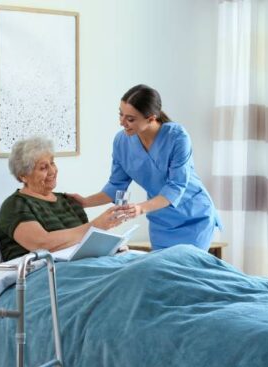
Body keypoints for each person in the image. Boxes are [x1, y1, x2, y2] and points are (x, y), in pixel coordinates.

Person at [70, 84, 221, 251]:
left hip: (194, 217)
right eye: (121, 114)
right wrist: (84, 202)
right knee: (161, 273)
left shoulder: (177, 137)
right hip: (161, 221)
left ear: (151, 118)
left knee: (188, 271)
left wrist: (140, 208)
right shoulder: (121, 142)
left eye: (130, 119)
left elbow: (175, 187)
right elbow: (115, 186)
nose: (122, 122)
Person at [0, 136, 125, 261]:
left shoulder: (69, 201)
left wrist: (111, 247)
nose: (52, 171)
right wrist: (96, 225)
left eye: (52, 163)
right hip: (42, 273)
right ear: (23, 176)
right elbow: (42, 244)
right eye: (43, 167)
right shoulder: (15, 205)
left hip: (81, 266)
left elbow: (85, 244)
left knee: (140, 264)